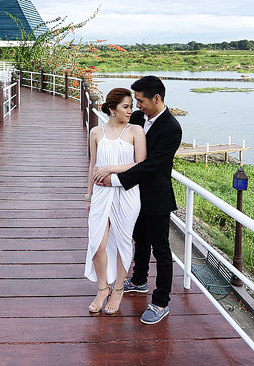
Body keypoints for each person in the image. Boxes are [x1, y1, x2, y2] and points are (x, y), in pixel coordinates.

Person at [93, 75, 181, 325]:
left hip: (155, 195)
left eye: (140, 101)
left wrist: (115, 179)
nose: (136, 106)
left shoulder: (172, 128)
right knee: (139, 239)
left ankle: (161, 301)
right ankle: (139, 280)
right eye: (134, 102)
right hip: (133, 195)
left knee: (161, 249)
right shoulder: (140, 118)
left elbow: (152, 165)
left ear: (157, 98)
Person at [84, 88, 147, 316]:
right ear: (112, 109)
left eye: (131, 106)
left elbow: (140, 164)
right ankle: (102, 288)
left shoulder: (136, 131)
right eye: (126, 107)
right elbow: (92, 164)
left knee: (122, 241)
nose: (131, 110)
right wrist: (89, 194)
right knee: (97, 244)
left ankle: (118, 289)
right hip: (101, 193)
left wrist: (111, 168)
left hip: (126, 193)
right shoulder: (96, 132)